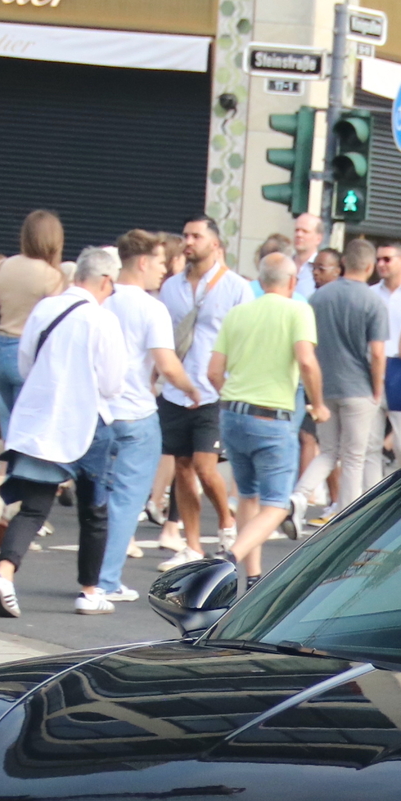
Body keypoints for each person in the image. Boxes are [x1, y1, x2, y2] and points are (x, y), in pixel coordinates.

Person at [0, 247, 128, 617]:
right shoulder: (102, 321)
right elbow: (114, 383)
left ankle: (4, 575)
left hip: (40, 420)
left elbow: (25, 363)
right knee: (94, 510)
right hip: (87, 423)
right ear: (104, 280)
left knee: (35, 508)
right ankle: (89, 590)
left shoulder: (45, 309)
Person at [85, 231, 192, 609]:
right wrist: (192, 390)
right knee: (127, 500)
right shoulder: (152, 308)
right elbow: (166, 363)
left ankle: (91, 577)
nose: (165, 270)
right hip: (136, 412)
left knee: (96, 498)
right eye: (161, 262)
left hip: (98, 412)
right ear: (143, 262)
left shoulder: (101, 301)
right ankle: (107, 579)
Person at [207, 251, 328, 581]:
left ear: (260, 282)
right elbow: (306, 361)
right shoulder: (298, 310)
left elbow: (213, 371)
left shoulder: (238, 314)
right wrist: (318, 403)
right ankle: (230, 556)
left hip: (232, 413)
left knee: (248, 494)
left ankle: (254, 575)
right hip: (272, 418)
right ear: (292, 282)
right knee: (276, 504)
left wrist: (234, 394)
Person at [156, 216, 252, 566]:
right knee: (182, 466)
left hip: (215, 390)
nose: (188, 241)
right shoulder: (170, 288)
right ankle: (192, 545)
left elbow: (246, 339)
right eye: (185, 235)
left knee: (205, 466)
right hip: (176, 389)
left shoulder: (236, 288)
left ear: (215, 243)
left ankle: (226, 519)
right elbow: (163, 338)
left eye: (196, 236)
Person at [298, 235, 388, 515]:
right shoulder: (373, 302)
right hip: (358, 387)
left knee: (327, 451)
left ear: (345, 262)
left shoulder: (317, 298)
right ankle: (346, 515)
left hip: (323, 386)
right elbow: (376, 353)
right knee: (353, 457)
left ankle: (299, 496)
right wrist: (377, 388)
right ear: (370, 266)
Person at [0, 210, 66, 439]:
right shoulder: (52, 276)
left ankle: (10, 472)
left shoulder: (2, 266)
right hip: (28, 355)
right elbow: (56, 322)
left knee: (9, 431)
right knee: (28, 433)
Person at [372, 243, 401, 464]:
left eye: (387, 259)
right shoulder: (370, 293)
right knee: (370, 444)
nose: (381, 264)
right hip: (372, 366)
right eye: (379, 259)